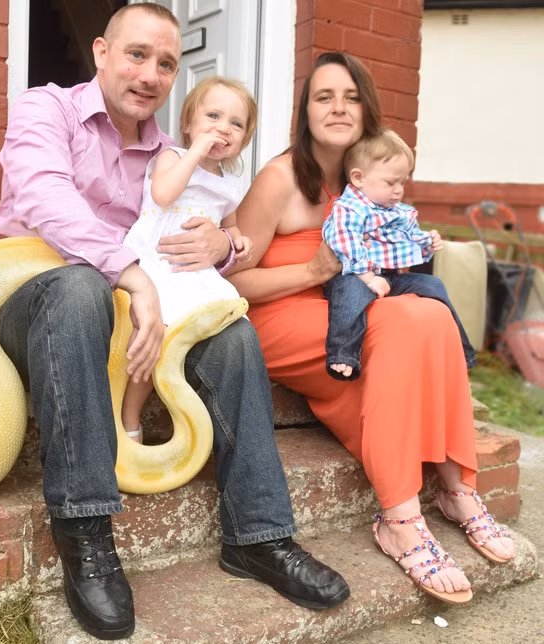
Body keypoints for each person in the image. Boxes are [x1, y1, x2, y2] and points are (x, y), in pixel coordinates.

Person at [0, 4, 349, 640]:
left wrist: (224, 246)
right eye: (137, 54)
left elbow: (209, 229)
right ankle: (86, 534)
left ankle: (259, 536)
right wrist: (131, 275)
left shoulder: (173, 155)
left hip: (138, 310)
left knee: (233, 333)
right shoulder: (47, 109)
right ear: (101, 52)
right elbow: (46, 198)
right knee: (80, 288)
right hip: (39, 299)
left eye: (165, 63)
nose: (150, 74)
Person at [228, 51, 515, 607]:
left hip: (351, 310)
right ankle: (399, 521)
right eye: (324, 96)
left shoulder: (371, 180)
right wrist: (313, 271)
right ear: (305, 112)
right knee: (402, 322)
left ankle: (457, 487)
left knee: (430, 310)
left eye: (351, 97)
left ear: (368, 110)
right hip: (282, 315)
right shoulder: (280, 179)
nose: (338, 107)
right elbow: (234, 282)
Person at [120, 76, 255, 442]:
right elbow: (163, 194)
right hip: (158, 263)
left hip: (195, 272)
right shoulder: (173, 157)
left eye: (236, 123)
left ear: (244, 139)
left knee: (225, 328)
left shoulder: (230, 182)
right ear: (188, 124)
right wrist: (195, 152)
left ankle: (194, 414)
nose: (223, 128)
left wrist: (238, 240)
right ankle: (129, 417)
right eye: (213, 116)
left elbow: (230, 224)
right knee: (152, 337)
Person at [321, 127, 477, 380]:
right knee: (350, 294)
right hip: (353, 276)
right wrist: (367, 277)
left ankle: (461, 351)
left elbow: (408, 239)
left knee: (433, 284)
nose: (398, 190)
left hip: (390, 277)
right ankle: (343, 353)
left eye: (402, 182)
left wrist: (427, 242)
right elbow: (345, 241)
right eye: (390, 182)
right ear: (359, 178)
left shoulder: (397, 211)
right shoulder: (350, 208)